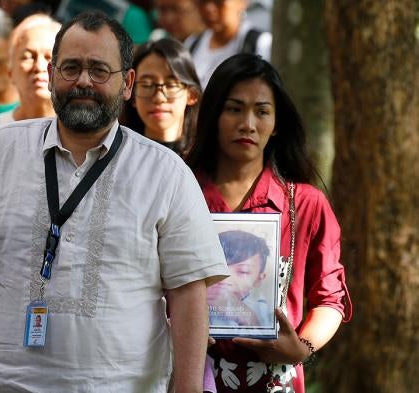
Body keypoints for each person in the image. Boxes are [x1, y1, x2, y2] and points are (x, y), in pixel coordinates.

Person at [0, 11, 229, 392]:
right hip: (4, 385)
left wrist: (187, 387)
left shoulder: (165, 173)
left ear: (127, 83)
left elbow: (187, 291)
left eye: (99, 70)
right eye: (71, 68)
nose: (83, 81)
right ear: (51, 76)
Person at [186, 53, 352, 392]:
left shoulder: (306, 205)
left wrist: (301, 348)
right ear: (214, 115)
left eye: (261, 111)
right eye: (234, 108)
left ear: (276, 124)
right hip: (192, 376)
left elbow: (329, 299)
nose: (248, 123)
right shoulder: (180, 194)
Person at [0, 13, 60, 140]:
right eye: (27, 57)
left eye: (49, 57)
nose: (39, 66)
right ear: (10, 71)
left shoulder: (85, 134)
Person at [123, 37, 201, 155]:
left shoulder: (205, 158)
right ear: (132, 95)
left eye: (171, 85)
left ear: (192, 95)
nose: (159, 98)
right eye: (147, 85)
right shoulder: (120, 156)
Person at [189, 0, 271, 87]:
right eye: (202, 2)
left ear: (242, 2)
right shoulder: (192, 43)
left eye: (218, 2)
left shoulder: (261, 44)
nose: (209, 8)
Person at [207, 230, 272, 327]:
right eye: (217, 267)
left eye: (243, 271)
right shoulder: (199, 297)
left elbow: (266, 336)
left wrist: (246, 315)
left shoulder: (261, 309)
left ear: (259, 279)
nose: (225, 279)